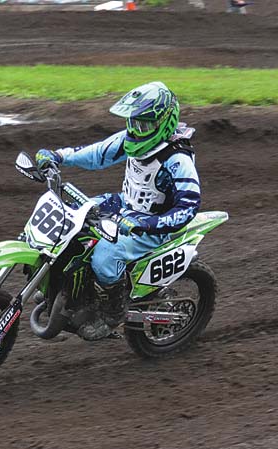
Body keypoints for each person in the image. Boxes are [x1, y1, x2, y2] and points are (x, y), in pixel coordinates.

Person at [35, 81, 201, 341]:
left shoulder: (176, 159)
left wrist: (146, 225)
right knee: (71, 218)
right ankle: (63, 286)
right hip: (126, 205)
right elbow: (96, 154)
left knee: (105, 256)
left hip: (153, 224)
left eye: (144, 125)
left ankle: (113, 311)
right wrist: (60, 156)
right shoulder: (133, 139)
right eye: (133, 123)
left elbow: (189, 206)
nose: (136, 130)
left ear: (164, 122)